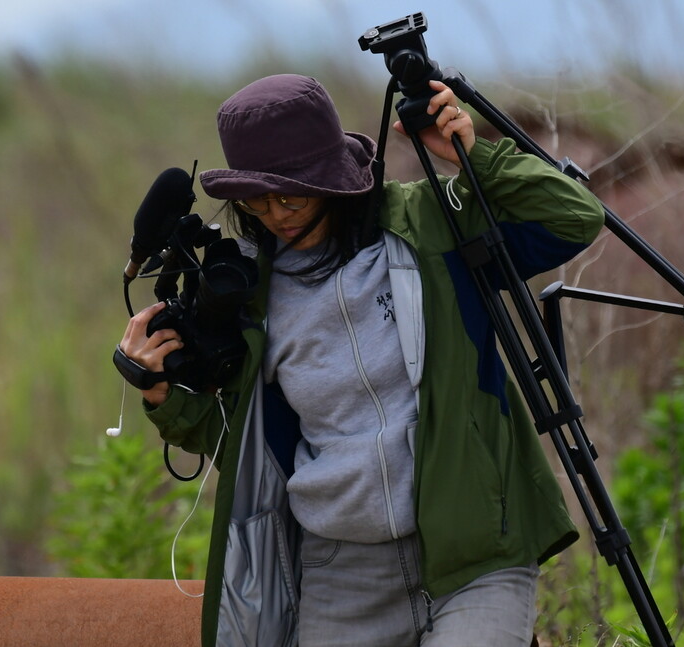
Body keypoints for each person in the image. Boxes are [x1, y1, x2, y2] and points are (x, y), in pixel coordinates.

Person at [119, 74, 604, 646]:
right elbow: (254, 452)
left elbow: (575, 218)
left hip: (476, 549)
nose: (276, 214)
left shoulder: (427, 226)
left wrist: (476, 158)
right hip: (340, 574)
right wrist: (162, 397)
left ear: (330, 178)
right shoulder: (247, 291)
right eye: (257, 197)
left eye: (293, 193)